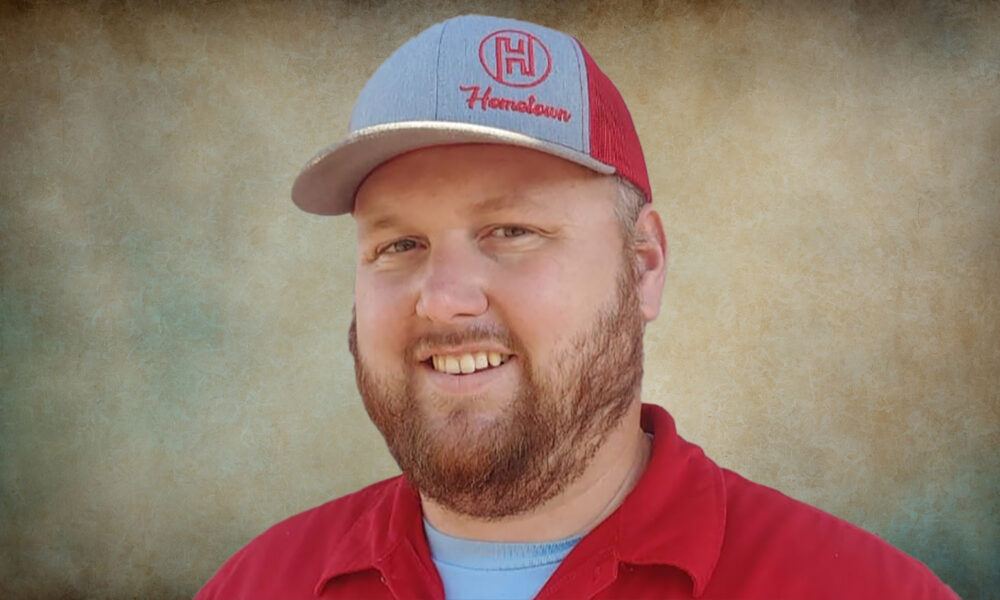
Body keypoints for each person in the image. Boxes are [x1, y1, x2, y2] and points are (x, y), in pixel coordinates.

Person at [196, 14, 958, 600]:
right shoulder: (257, 584)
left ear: (644, 265)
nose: (446, 299)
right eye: (399, 244)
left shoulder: (859, 588)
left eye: (512, 231)